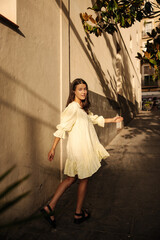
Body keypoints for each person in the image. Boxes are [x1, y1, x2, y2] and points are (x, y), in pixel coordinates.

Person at [41, 78, 123, 227]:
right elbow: (62, 128)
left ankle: (50, 206)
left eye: (85, 89)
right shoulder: (72, 108)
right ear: (74, 92)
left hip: (80, 149)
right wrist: (53, 148)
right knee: (83, 179)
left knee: (70, 179)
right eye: (80, 89)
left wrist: (113, 119)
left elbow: (93, 119)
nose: (84, 92)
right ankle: (78, 214)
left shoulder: (82, 109)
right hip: (79, 150)